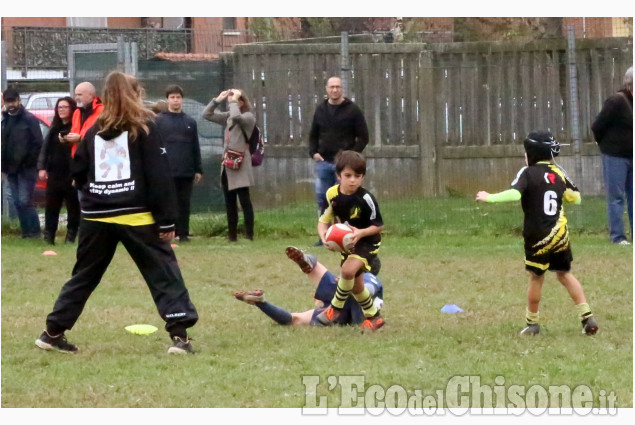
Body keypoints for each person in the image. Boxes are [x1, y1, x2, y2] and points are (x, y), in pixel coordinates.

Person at [35, 71, 199, 355]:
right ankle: (180, 338)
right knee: (163, 274)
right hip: (136, 216)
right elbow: (159, 175)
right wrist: (167, 219)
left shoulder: (93, 128)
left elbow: (78, 170)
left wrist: (96, 193)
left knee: (83, 276)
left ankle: (51, 333)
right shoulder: (145, 126)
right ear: (134, 94)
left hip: (95, 217)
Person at [475, 130, 598, 336]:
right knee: (565, 274)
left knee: (536, 277)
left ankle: (532, 324)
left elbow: (515, 193)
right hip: (560, 235)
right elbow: (575, 197)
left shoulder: (527, 173)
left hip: (537, 237)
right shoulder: (559, 172)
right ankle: (587, 317)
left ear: (530, 154)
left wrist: (490, 197)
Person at [313, 150, 384, 330]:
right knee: (356, 287)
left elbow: (378, 226)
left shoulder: (366, 198)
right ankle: (375, 317)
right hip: (348, 243)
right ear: (338, 176)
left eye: (358, 176)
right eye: (348, 175)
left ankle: (334, 309)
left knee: (347, 271)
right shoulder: (332, 194)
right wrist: (324, 237)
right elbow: (323, 220)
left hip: (367, 241)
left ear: (363, 177)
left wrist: (360, 233)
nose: (353, 180)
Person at [234, 246, 383, 326]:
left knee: (328, 280)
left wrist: (348, 285)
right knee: (295, 320)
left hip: (345, 304)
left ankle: (309, 262)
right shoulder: (371, 279)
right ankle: (261, 303)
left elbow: (367, 290)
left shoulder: (368, 276)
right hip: (346, 316)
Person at [309, 76, 369, 245]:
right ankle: (325, 237)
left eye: (338, 87)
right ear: (326, 89)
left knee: (346, 199)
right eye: (331, 87)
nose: (334, 90)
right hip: (324, 163)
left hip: (344, 166)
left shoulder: (352, 110)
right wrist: (313, 152)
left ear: (342, 89)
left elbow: (364, 137)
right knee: (323, 199)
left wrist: (350, 156)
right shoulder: (320, 109)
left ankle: (348, 235)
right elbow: (313, 134)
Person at [203, 88, 255, 242]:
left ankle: (249, 234)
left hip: (240, 165)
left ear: (242, 102)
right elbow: (206, 114)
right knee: (229, 202)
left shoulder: (248, 117)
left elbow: (237, 117)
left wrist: (233, 101)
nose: (231, 103)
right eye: (231, 101)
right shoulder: (228, 117)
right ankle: (232, 235)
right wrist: (217, 100)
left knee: (245, 201)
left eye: (236, 100)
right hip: (227, 165)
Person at [591, 66, 633, 245]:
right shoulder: (617, 101)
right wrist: (607, 146)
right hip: (615, 156)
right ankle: (618, 237)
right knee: (616, 197)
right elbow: (597, 126)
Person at [155, 85, 203, 243]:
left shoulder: (190, 121)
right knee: (167, 203)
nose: (175, 100)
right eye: (172, 97)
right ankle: (168, 232)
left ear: (182, 99)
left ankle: (183, 234)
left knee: (184, 203)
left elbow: (195, 146)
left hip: (186, 170)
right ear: (167, 99)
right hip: (165, 170)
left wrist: (198, 169)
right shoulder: (159, 120)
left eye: (178, 97)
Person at [37, 96, 80, 244]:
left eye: (64, 107)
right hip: (55, 173)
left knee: (73, 207)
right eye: (59, 107)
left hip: (71, 173)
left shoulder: (76, 128)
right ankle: (49, 236)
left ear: (72, 109)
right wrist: (42, 167)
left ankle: (71, 236)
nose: (61, 110)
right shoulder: (54, 128)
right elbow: (45, 149)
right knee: (51, 206)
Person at [1, 87, 43, 239]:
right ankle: (26, 232)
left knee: (25, 200)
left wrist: (32, 162)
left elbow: (39, 143)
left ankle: (35, 232)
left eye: (13, 101)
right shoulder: (6, 119)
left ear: (19, 100)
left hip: (27, 168)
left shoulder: (29, 119)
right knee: (17, 202)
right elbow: (4, 145)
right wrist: (3, 168)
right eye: (7, 102)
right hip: (11, 169)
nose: (10, 105)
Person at [65, 81, 104, 157]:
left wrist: (80, 139)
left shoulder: (101, 111)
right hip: (78, 158)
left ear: (90, 95)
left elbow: (102, 137)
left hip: (93, 156)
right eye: (76, 95)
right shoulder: (77, 112)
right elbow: (74, 132)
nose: (76, 98)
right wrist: (66, 139)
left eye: (80, 95)